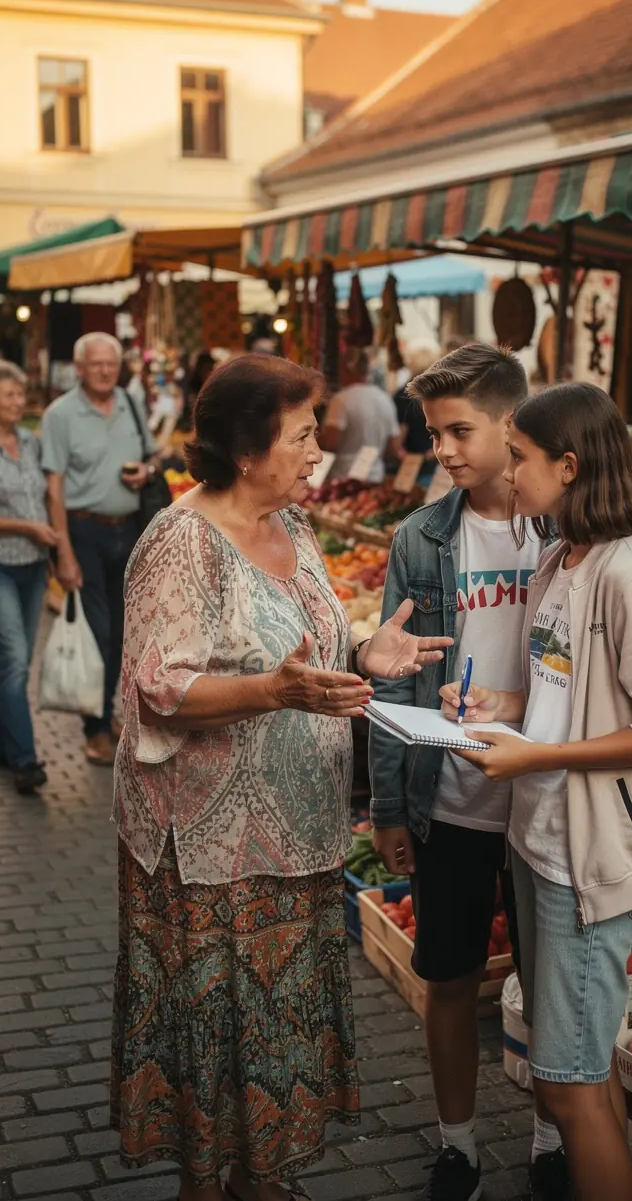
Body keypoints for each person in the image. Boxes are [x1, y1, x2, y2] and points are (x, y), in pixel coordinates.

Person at [111, 353, 451, 1201]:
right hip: (207, 848)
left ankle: (263, 1175)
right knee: (218, 1024)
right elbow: (158, 687)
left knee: (275, 1021)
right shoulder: (178, 540)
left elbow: (309, 650)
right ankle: (211, 1181)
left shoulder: (294, 527)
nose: (316, 453)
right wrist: (275, 691)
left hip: (300, 829)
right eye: (301, 436)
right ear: (247, 448)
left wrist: (367, 654)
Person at [440, 382, 632, 1201]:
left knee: (566, 1078)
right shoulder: (560, 559)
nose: (506, 472)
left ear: (570, 463)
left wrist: (534, 757)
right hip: (539, 840)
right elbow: (560, 687)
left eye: (518, 457)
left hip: (589, 858)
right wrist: (500, 709)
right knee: (574, 1078)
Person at [369, 343, 544, 1201]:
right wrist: (389, 806)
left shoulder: (563, 523)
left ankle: (553, 1138)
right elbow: (393, 678)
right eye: (435, 433)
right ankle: (460, 1144)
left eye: (459, 431)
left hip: (551, 797)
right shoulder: (422, 536)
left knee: (553, 980)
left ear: (514, 422)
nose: (441, 450)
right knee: (449, 977)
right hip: (455, 801)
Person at [41, 332, 160, 767]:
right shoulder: (61, 415)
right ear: (79, 368)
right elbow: (53, 490)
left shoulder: (129, 404)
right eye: (96, 365)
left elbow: (151, 456)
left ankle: (105, 711)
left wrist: (145, 472)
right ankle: (93, 729)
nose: (106, 371)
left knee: (124, 631)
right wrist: (64, 552)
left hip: (127, 529)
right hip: (83, 530)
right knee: (99, 630)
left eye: (112, 363)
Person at [0, 360, 58, 795]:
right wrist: (26, 527)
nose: (18, 401)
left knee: (16, 661)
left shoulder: (30, 441)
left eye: (20, 394)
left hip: (33, 565)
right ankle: (25, 760)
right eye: (8, 395)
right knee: (13, 659)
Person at [319, 350, 403, 481]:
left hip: (343, 481)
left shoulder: (341, 400)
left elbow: (331, 443)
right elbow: (394, 447)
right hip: (376, 478)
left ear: (345, 369)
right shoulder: (385, 399)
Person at [394, 342, 439, 457]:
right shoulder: (443, 391)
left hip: (411, 461)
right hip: (439, 460)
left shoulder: (403, 395)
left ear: (410, 363)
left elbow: (399, 435)